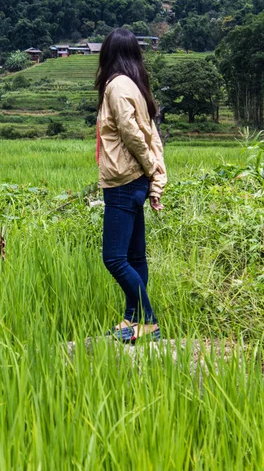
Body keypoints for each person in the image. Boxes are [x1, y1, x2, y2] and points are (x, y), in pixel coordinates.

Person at [95, 28, 167, 343]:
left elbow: (130, 131)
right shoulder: (136, 87)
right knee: (135, 257)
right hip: (135, 180)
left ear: (107, 55)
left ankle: (147, 321)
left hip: (122, 181)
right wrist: (154, 177)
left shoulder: (115, 86)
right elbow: (152, 135)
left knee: (113, 257)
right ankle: (132, 319)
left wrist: (151, 169)